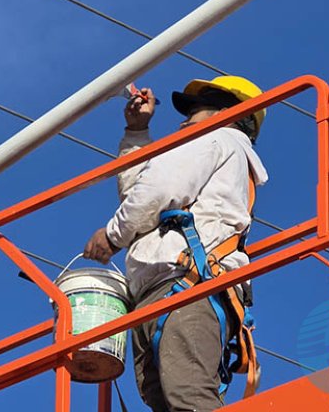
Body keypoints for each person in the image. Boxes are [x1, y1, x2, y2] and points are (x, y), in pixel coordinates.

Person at [83, 76, 268, 412]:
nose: (185, 119)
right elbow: (141, 193)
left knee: (188, 398)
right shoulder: (215, 145)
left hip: (188, 287)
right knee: (171, 402)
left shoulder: (218, 137)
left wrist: (112, 235)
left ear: (223, 112)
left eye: (195, 110)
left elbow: (155, 190)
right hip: (166, 290)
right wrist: (137, 133)